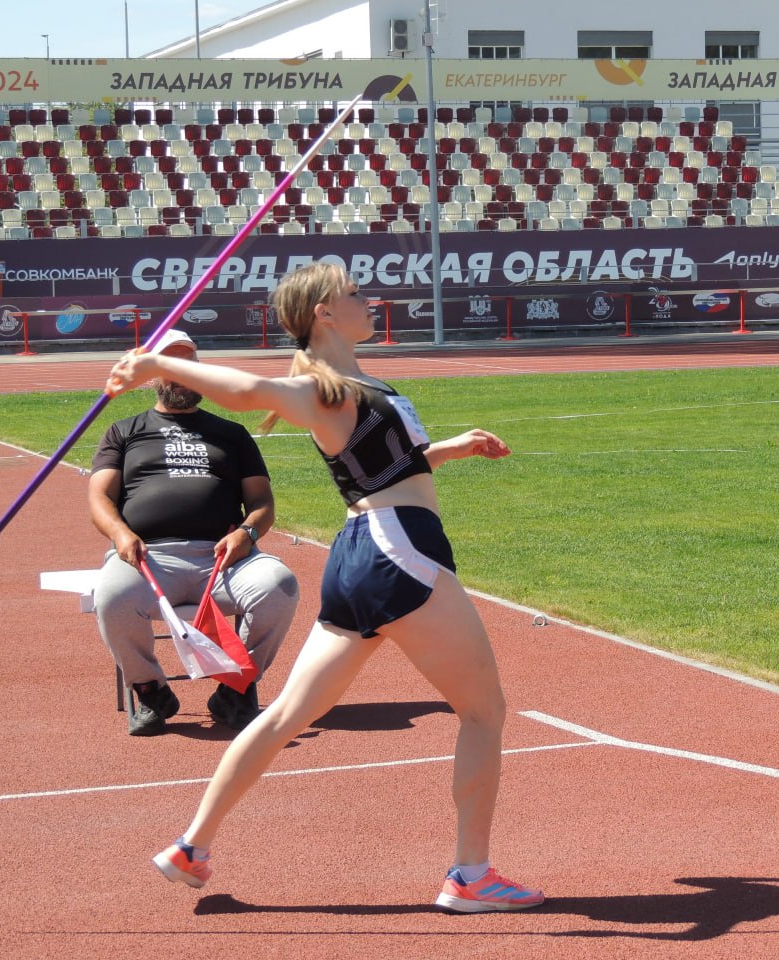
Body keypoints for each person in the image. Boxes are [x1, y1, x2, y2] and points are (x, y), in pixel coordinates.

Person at [105, 263, 543, 913]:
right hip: (398, 551)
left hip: (365, 555)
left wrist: (454, 448)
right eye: (357, 294)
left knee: (287, 714)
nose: (373, 300)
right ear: (324, 314)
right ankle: (470, 876)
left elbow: (395, 466)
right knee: (485, 711)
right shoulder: (322, 389)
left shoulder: (361, 384)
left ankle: (191, 846)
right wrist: (154, 369)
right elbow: (249, 390)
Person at [89, 328, 300, 737]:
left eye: (187, 363)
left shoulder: (231, 434)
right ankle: (151, 690)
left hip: (225, 560)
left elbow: (262, 503)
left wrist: (248, 534)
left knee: (280, 585)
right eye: (170, 364)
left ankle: (236, 687)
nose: (180, 374)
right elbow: (99, 497)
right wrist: (119, 533)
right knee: (111, 597)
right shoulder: (125, 431)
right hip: (147, 558)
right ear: (152, 374)